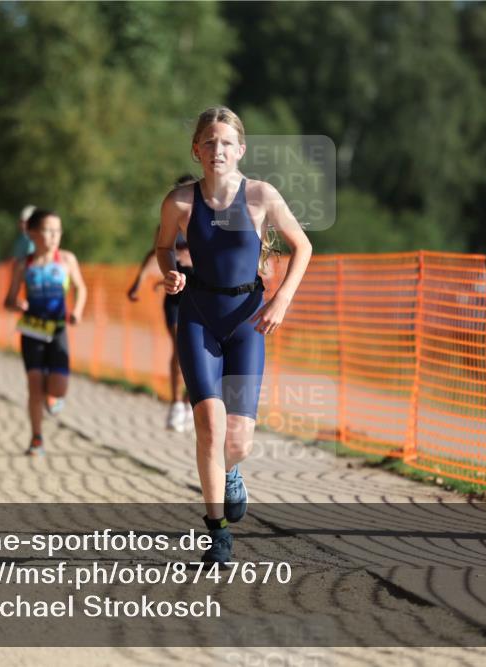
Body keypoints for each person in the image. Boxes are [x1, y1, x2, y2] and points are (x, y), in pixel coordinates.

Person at [155, 107, 312, 564]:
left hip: (246, 320)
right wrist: (171, 274)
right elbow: (164, 247)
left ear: (240, 149)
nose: (217, 150)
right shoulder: (180, 202)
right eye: (209, 142)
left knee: (237, 442)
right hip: (199, 317)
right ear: (196, 150)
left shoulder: (261, 195)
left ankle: (233, 473)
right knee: (208, 424)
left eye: (226, 143)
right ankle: (217, 531)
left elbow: (302, 246)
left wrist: (281, 300)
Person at [4, 209, 88, 456]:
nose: (53, 236)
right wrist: (16, 304)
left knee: (58, 388)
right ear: (32, 233)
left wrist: (78, 311)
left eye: (57, 230)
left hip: (58, 329)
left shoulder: (66, 260)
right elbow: (7, 300)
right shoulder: (23, 264)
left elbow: (81, 288)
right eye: (47, 230)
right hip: (32, 330)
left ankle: (55, 397)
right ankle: (36, 438)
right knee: (34, 385)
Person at [128, 174, 198, 432]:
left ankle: (193, 403)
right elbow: (155, 251)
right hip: (175, 289)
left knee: (197, 351)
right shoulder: (168, 222)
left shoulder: (208, 221)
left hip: (199, 288)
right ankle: (176, 404)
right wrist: (138, 282)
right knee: (180, 346)